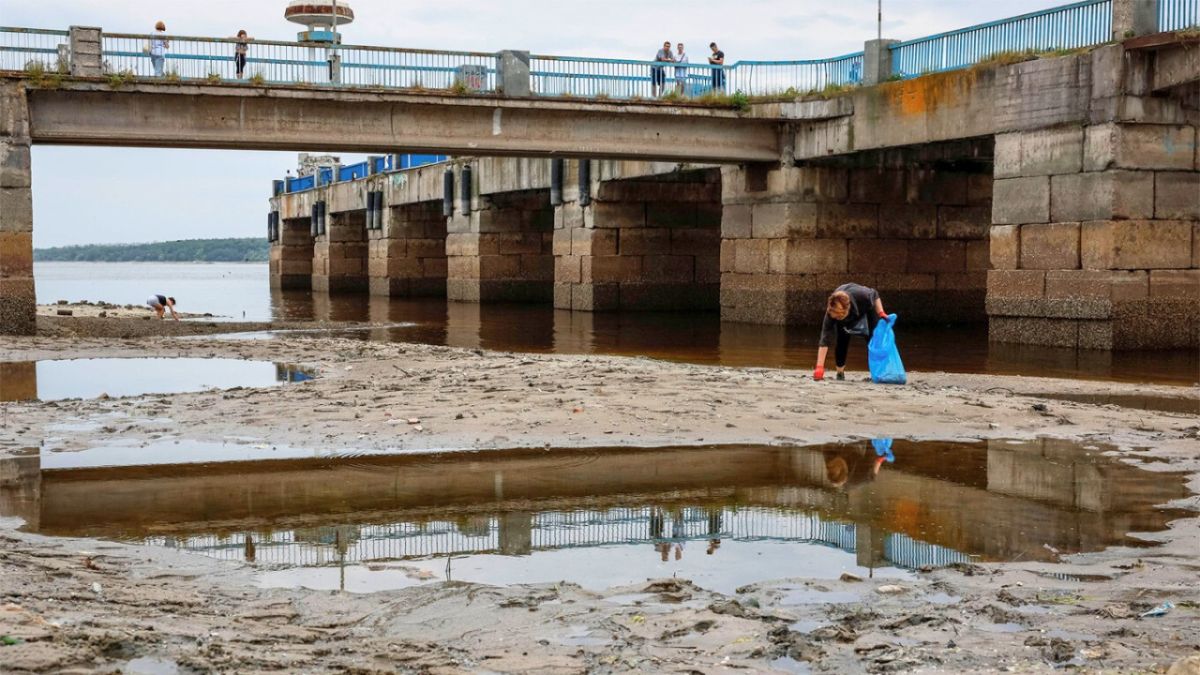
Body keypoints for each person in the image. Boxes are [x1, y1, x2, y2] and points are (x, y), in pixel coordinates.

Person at [813, 283, 889, 381]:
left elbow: (875, 294)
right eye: (835, 317)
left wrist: (881, 312)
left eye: (838, 317)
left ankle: (877, 371)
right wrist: (819, 367)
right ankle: (840, 373)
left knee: (872, 340)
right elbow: (825, 338)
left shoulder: (863, 295)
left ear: (846, 309)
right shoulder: (831, 312)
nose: (836, 318)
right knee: (841, 340)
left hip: (865, 309)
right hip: (843, 314)